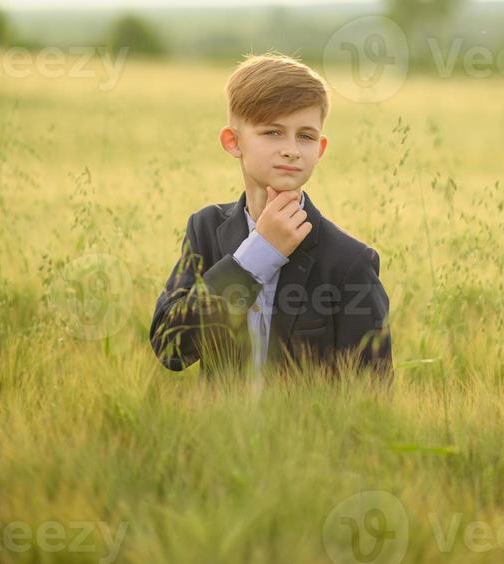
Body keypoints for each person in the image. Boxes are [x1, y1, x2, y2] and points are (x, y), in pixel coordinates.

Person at [149, 51, 393, 384]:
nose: (292, 149)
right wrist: (257, 254)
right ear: (233, 142)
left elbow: (372, 397)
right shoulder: (205, 230)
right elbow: (170, 347)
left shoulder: (349, 262)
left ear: (319, 150)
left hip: (311, 436)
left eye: (305, 136)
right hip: (218, 434)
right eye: (273, 132)